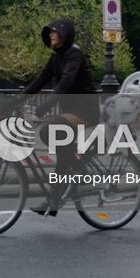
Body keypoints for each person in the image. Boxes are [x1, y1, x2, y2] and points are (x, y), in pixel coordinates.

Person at [21, 18, 99, 215]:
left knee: (49, 130)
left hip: (85, 111)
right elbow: (40, 80)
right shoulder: (56, 56)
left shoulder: (75, 53)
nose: (50, 34)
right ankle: (54, 200)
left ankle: (81, 170)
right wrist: (15, 101)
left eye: (54, 31)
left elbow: (65, 83)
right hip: (70, 112)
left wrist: (44, 108)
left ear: (64, 34)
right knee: (63, 156)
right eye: (50, 32)